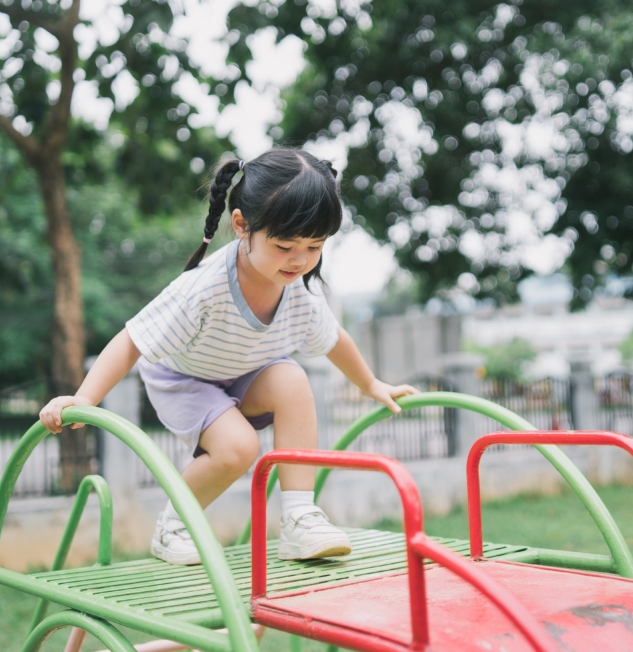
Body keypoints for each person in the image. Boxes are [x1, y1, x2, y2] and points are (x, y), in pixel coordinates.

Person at [39, 148, 417, 565]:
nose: (299, 260)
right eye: (285, 245)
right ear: (241, 225)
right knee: (239, 447)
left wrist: (371, 384)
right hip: (182, 378)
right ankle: (174, 524)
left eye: (314, 246)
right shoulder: (204, 290)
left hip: (242, 371)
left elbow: (333, 339)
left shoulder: (299, 292)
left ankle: (298, 517)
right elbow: (132, 339)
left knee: (293, 379)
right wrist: (84, 399)